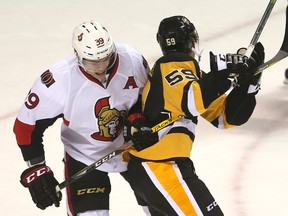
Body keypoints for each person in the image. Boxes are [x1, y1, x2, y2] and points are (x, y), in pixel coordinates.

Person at [122, 15, 265, 215]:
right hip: (161, 169)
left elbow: (227, 117)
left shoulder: (187, 76)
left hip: (157, 170)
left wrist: (248, 86)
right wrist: (226, 73)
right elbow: (193, 101)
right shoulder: (172, 66)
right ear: (193, 40)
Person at [13, 20, 149, 216]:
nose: (102, 67)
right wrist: (37, 168)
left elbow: (149, 97)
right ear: (78, 56)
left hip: (134, 146)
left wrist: (138, 118)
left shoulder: (132, 59)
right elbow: (25, 127)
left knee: (164, 209)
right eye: (93, 62)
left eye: (107, 58)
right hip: (84, 155)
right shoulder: (59, 80)